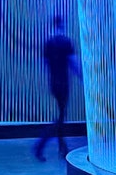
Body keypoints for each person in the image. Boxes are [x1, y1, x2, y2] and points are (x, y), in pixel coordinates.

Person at [34, 15, 81, 161]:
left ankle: (62, 147)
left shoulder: (48, 42)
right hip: (64, 83)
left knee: (61, 114)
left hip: (53, 83)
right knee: (61, 117)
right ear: (63, 24)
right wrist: (82, 79)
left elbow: (43, 63)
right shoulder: (66, 42)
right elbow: (73, 63)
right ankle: (40, 145)